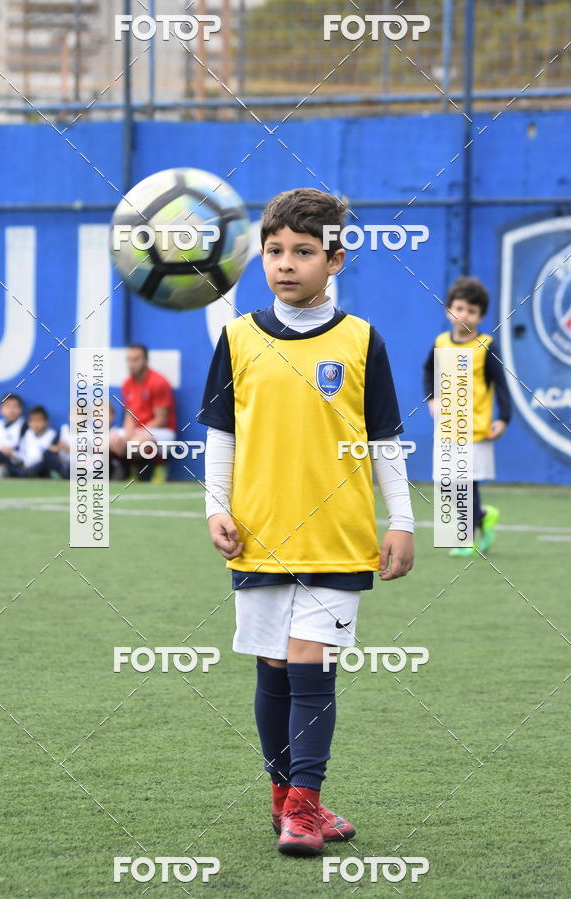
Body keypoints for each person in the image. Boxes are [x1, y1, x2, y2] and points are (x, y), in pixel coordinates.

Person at [198, 188, 415, 857]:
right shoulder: (238, 337)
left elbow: (384, 439)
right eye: (274, 251)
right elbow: (222, 434)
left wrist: (402, 520)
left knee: (311, 667)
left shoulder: (362, 340)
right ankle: (285, 800)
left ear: (335, 259)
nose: (286, 263)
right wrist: (215, 506)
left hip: (338, 537)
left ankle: (303, 805)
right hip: (260, 534)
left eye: (302, 251)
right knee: (272, 670)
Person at [422, 276, 512, 557]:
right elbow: (428, 371)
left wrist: (504, 418)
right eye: (459, 308)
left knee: (467, 484)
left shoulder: (486, 346)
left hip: (475, 430)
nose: (464, 315)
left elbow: (501, 384)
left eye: (472, 311)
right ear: (448, 310)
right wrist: (432, 398)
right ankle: (483, 516)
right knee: (446, 484)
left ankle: (466, 538)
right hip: (445, 430)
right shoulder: (440, 342)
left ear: (481, 316)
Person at [109, 345, 177, 481]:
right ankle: (124, 472)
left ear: (145, 360)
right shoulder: (127, 383)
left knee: (136, 443)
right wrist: (128, 434)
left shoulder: (158, 382)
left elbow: (161, 419)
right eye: (129, 360)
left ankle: (154, 471)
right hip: (139, 431)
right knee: (110, 440)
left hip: (162, 431)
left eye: (136, 360)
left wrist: (136, 435)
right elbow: (129, 415)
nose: (131, 364)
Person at [6, 406, 58, 477]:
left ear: (46, 422)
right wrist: (13, 454)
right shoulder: (27, 434)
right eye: (32, 420)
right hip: (26, 465)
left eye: (38, 420)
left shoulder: (52, 435)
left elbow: (50, 456)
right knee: (10, 462)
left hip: (42, 466)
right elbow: (22, 453)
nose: (35, 423)